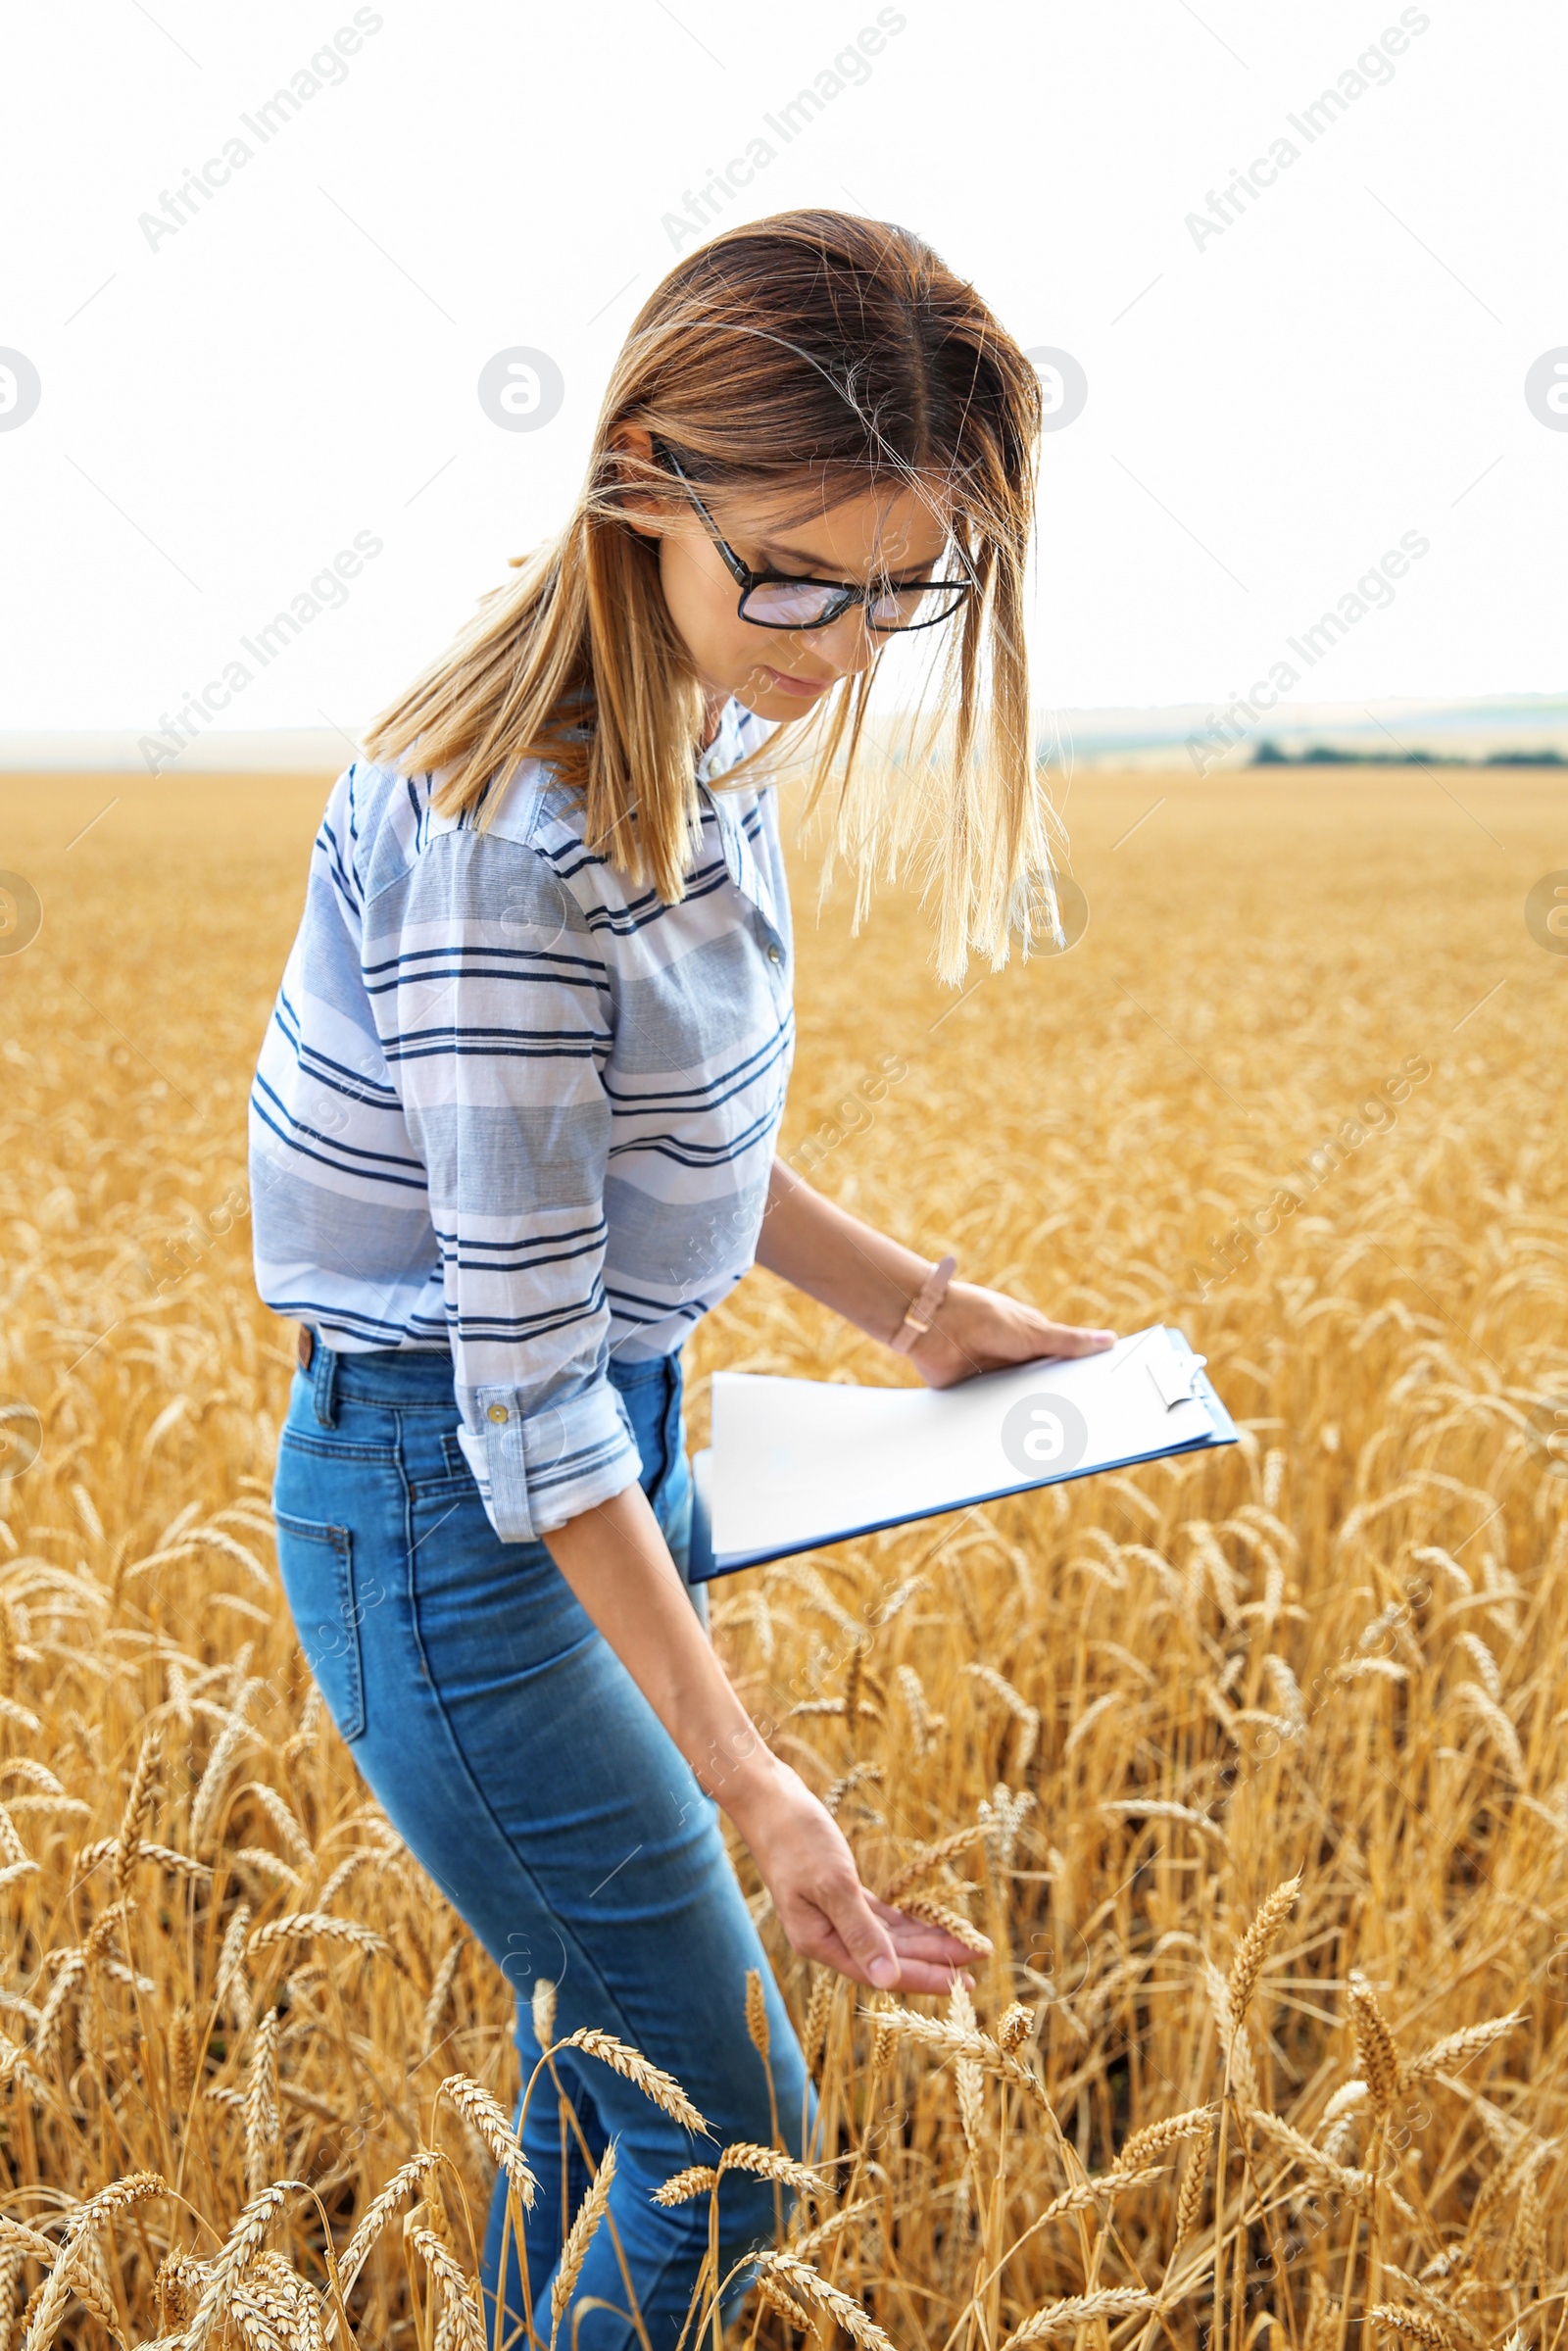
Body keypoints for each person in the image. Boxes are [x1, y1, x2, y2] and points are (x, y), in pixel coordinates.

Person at [248, 208, 1115, 2351]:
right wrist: (755, 1781)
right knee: (725, 2138)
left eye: (901, 588)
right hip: (467, 1512)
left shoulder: (681, 720)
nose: (836, 643)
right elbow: (518, 1385)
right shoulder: (501, 838)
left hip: (600, 1459)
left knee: (593, 2072)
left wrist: (922, 1310)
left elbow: (658, 1157)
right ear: (641, 472)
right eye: (795, 574)